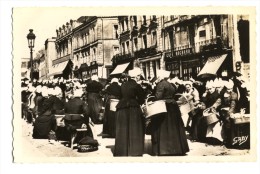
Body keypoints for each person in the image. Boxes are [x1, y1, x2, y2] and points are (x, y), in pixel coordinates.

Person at [150, 70, 189, 156]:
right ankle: (177, 148)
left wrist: (152, 97)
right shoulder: (171, 84)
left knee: (163, 127)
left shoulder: (161, 84)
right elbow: (176, 94)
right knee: (174, 127)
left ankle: (164, 149)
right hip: (173, 106)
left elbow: (158, 96)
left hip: (164, 106)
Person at [113, 68, 146, 156]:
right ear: (136, 77)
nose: (139, 77)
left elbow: (120, 96)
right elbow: (142, 98)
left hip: (122, 108)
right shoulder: (137, 86)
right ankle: (134, 150)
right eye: (138, 76)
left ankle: (122, 150)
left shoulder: (123, 85)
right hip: (133, 108)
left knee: (122, 129)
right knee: (134, 128)